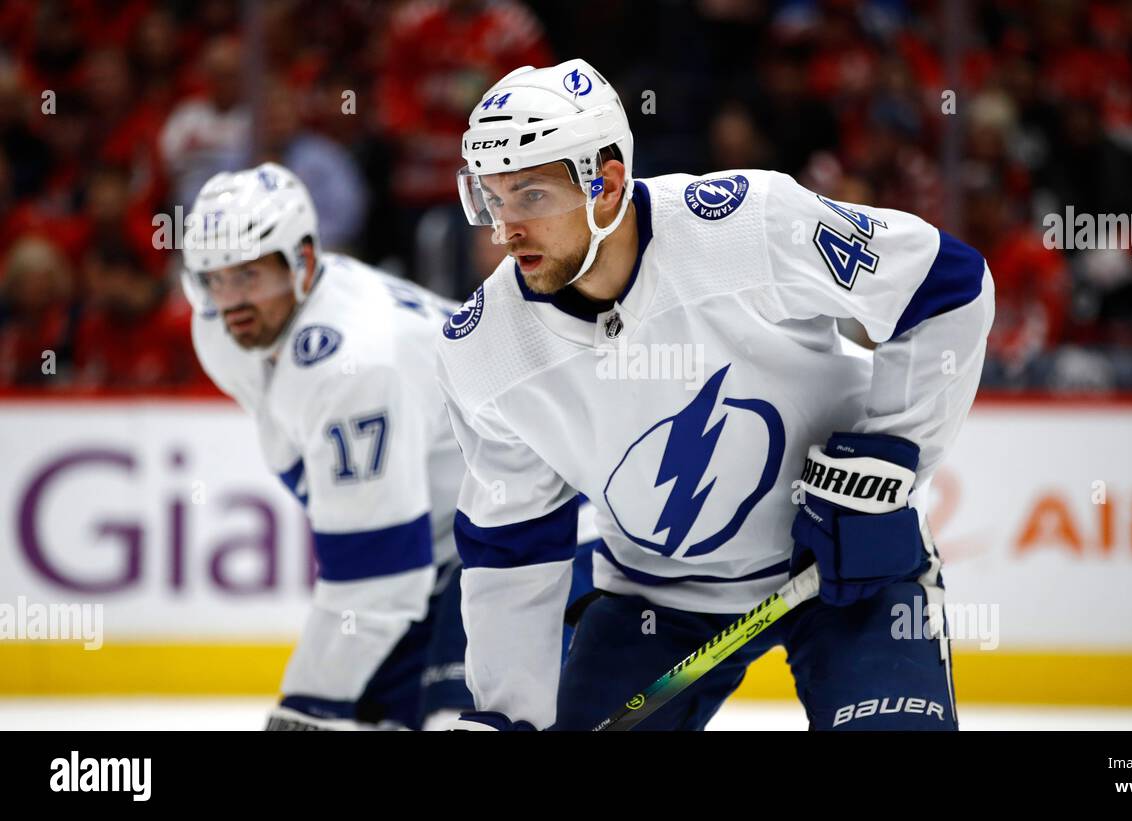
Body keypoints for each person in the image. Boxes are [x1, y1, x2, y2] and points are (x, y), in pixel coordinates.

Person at [435, 59, 995, 731]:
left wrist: (893, 455)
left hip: (843, 566)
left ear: (606, 184)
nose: (504, 229)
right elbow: (512, 545)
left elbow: (946, 285)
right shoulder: (483, 350)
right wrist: (505, 714)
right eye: (491, 198)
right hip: (652, 600)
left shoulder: (745, 226)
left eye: (530, 196)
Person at [183, 162, 474, 729]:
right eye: (214, 278)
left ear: (304, 262)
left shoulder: (355, 364)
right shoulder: (220, 327)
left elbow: (380, 574)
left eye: (249, 275)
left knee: (456, 723)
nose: (231, 300)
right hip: (440, 550)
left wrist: (310, 703)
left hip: (534, 532)